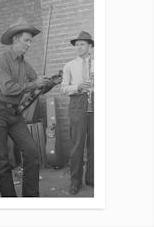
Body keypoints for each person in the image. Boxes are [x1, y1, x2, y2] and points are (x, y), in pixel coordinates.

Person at [0, 17, 50, 197]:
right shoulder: (1, 59)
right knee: (2, 161)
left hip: (14, 113)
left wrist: (49, 82)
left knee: (31, 151)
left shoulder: (24, 63)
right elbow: (8, 88)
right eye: (26, 40)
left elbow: (38, 85)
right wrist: (35, 83)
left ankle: (30, 198)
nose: (29, 44)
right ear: (15, 40)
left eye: (30, 41)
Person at [61, 31, 94, 195]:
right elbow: (63, 88)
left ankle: (92, 178)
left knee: (95, 144)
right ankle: (75, 181)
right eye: (77, 44)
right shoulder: (69, 65)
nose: (79, 47)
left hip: (95, 104)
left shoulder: (98, 63)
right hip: (77, 104)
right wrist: (78, 87)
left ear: (90, 46)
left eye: (82, 44)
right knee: (77, 145)